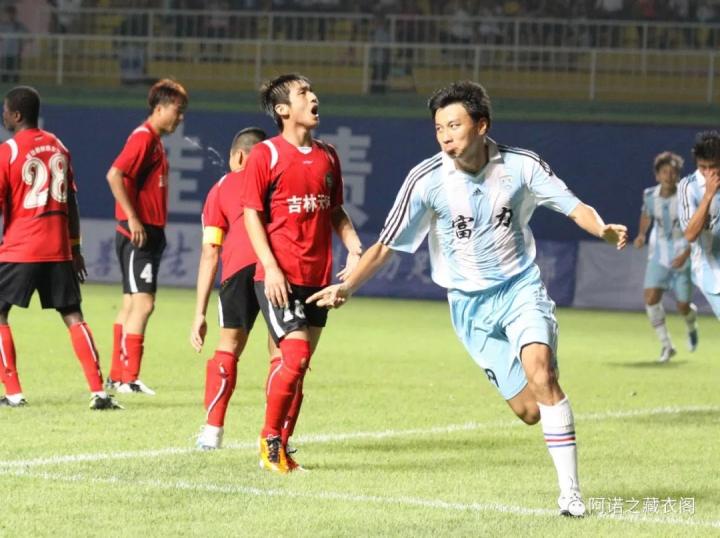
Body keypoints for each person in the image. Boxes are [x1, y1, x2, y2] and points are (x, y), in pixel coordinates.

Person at [307, 81, 628, 516]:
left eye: (454, 125)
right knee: (529, 411)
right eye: (439, 128)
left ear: (481, 125)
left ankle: (570, 495)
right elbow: (386, 245)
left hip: (519, 289)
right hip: (469, 308)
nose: (445, 136)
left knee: (542, 374)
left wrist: (601, 228)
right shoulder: (426, 179)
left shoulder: (521, 165)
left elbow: (573, 206)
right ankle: (543, 391)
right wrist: (348, 287)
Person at [237, 73, 362, 473]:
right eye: (303, 93)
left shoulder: (328, 155)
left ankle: (282, 447)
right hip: (280, 278)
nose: (313, 97)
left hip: (318, 278)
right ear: (283, 109)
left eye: (312, 90)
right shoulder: (266, 155)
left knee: (295, 367)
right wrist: (270, 267)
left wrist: (354, 246)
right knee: (296, 356)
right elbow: (252, 214)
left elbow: (334, 209)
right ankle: (270, 442)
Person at [0, 86, 121, 410]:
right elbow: (72, 204)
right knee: (72, 314)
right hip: (57, 248)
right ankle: (99, 392)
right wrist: (75, 248)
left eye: (5, 110)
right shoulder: (59, 146)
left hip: (21, 248)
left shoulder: (8, 151)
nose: (3, 115)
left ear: (16, 115)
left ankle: (13, 393)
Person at [190, 126, 282, 450]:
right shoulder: (278, 182)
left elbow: (210, 251)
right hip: (277, 268)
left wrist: (199, 313)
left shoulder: (220, 188)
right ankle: (275, 435)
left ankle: (212, 433)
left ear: (239, 156)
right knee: (281, 352)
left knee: (228, 347)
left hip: (238, 268)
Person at [106, 78, 188, 395]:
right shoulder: (143, 138)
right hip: (138, 233)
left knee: (131, 303)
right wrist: (133, 217)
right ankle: (128, 378)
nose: (180, 117)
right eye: (177, 110)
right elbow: (114, 174)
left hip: (146, 232)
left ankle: (118, 376)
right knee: (144, 304)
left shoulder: (153, 141)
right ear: (160, 108)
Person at [633, 151, 698, 362]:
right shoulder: (649, 195)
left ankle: (691, 324)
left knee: (683, 306)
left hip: (683, 253)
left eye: (673, 172)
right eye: (664, 172)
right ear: (657, 175)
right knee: (651, 298)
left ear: (678, 175)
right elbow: (646, 214)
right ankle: (667, 346)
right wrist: (641, 234)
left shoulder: (688, 196)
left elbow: (697, 228)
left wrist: (686, 254)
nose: (669, 176)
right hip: (658, 254)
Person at [678, 130, 720, 319]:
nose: (708, 173)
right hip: (709, 267)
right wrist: (708, 195)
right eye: (703, 167)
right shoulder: (688, 186)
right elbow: (690, 234)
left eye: (714, 167)